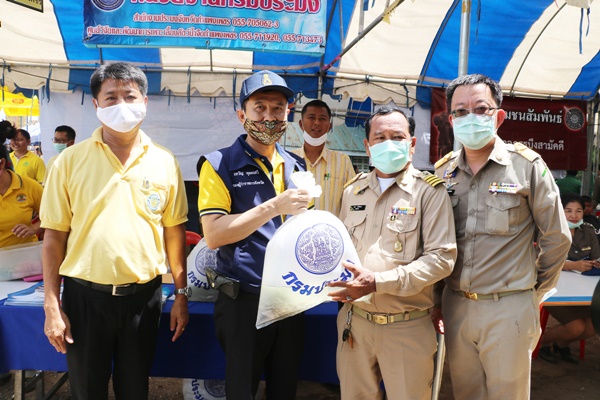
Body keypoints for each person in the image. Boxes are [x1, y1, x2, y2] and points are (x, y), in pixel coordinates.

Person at [40, 62, 190, 400]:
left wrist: (181, 294)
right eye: (111, 97)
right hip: (85, 299)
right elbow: (54, 237)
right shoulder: (68, 161)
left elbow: (174, 233)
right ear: (96, 104)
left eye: (130, 96)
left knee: (135, 389)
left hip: (143, 299)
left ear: (145, 102)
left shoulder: (165, 161)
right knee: (87, 390)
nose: (121, 104)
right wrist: (51, 304)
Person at [433, 74, 571, 399]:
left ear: (498, 116)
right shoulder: (442, 173)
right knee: (466, 392)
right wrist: (438, 301)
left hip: (509, 307)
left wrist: (533, 292)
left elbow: (557, 237)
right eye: (461, 111)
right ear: (451, 120)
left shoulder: (526, 167)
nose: (471, 117)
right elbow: (436, 245)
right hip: (456, 305)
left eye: (481, 109)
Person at [327, 106, 457, 399]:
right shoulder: (353, 191)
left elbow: (441, 259)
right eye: (380, 137)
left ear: (412, 144)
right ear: (367, 146)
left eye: (397, 137)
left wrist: (377, 282)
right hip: (354, 323)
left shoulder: (429, 192)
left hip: (406, 325)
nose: (388, 143)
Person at [197, 70, 311, 399]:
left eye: (277, 108)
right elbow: (214, 235)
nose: (269, 117)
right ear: (241, 115)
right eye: (259, 107)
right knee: (242, 389)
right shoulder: (219, 164)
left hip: (290, 297)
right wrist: (274, 206)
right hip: (243, 299)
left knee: (284, 388)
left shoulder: (297, 166)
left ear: (288, 114)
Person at [538, 194, 597, 364]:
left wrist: (594, 263)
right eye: (568, 211)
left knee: (594, 325)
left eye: (578, 211)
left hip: (582, 289)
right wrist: (572, 265)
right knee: (576, 327)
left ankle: (561, 344)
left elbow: (597, 257)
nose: (574, 215)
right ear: (559, 211)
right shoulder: (550, 231)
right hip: (554, 290)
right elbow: (542, 261)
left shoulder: (588, 231)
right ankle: (541, 343)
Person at [292, 99, 355, 217]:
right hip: (296, 228)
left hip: (331, 228)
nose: (317, 123)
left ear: (329, 126)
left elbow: (352, 200)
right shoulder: (288, 160)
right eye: (311, 117)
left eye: (322, 119)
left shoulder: (343, 162)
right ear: (301, 124)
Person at [0, 120, 43, 248]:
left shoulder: (31, 187)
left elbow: (53, 216)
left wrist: (34, 228)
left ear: (2, 164)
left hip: (22, 254)